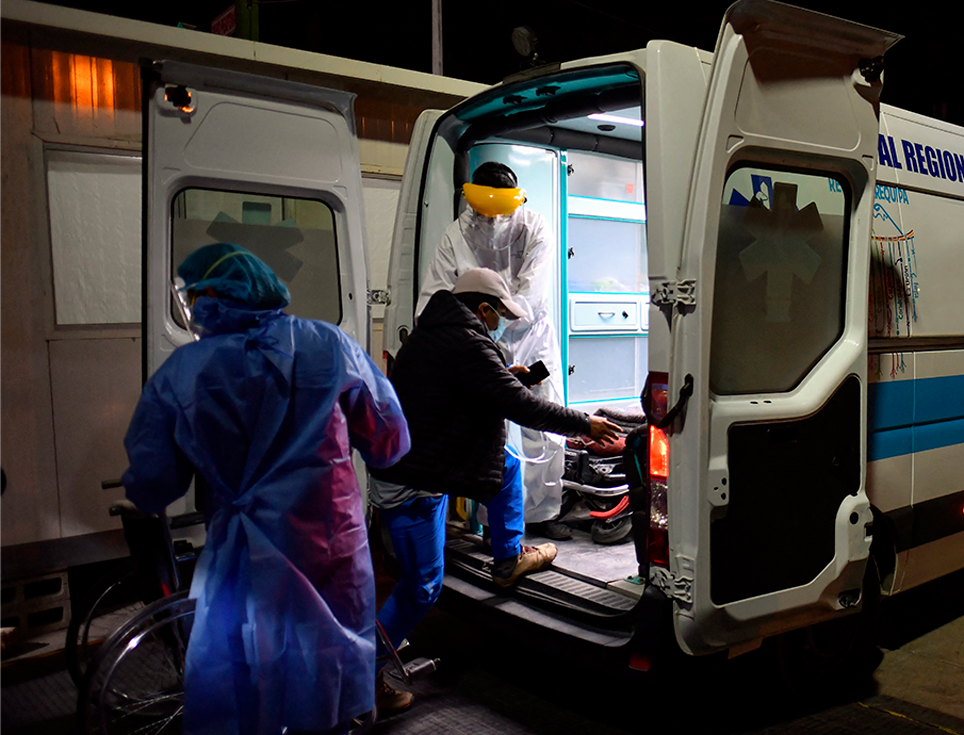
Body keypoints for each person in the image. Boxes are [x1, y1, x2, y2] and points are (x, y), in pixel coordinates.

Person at [122, 243, 411, 735]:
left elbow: (152, 485)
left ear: (213, 298)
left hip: (242, 555)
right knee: (326, 668)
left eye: (195, 297)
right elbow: (389, 441)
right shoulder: (328, 345)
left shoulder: (182, 372)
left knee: (245, 676)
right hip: (327, 542)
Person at [369, 268, 620, 708]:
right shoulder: (466, 341)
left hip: (426, 460)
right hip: (414, 482)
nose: (499, 320)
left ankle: (508, 557)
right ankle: (362, 678)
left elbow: (469, 386)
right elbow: (519, 406)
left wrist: (505, 376)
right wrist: (585, 424)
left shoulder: (434, 333)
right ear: (481, 308)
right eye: (497, 313)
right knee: (421, 586)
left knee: (503, 463)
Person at [418, 162, 571, 539]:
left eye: (500, 212)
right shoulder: (456, 235)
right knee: (492, 435)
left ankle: (547, 513)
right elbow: (434, 295)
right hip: (477, 342)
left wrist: (496, 326)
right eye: (484, 213)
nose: (492, 221)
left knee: (544, 425)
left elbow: (531, 293)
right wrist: (474, 340)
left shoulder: (534, 227)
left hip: (531, 338)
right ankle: (496, 522)